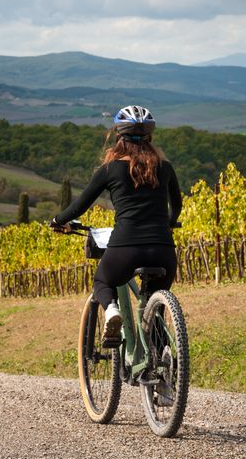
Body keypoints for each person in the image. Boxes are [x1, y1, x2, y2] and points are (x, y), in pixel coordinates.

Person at [51, 105, 182, 341]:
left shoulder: (110, 169)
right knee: (155, 310)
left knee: (102, 280)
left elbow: (79, 206)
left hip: (126, 247)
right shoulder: (166, 167)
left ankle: (111, 310)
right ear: (149, 137)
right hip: (163, 250)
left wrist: (58, 221)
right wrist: (170, 224)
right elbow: (177, 206)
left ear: (119, 136)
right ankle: (164, 364)